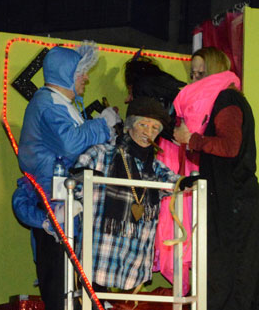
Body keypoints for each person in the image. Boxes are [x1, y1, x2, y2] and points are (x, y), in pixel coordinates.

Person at [12, 42, 119, 310]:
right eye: (81, 72)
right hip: (59, 219)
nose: (85, 79)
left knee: (86, 295)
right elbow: (71, 145)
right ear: (67, 73)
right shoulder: (47, 104)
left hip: (74, 219)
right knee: (62, 298)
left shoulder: (58, 105)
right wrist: (102, 124)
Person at [172, 47, 259, 310]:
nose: (194, 77)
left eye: (200, 71)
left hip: (235, 206)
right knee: (225, 273)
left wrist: (192, 139)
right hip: (230, 203)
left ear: (214, 69)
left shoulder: (227, 101)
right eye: (192, 72)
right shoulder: (221, 102)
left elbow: (229, 146)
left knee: (230, 274)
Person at [73, 96, 180, 294]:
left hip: (135, 259)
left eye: (155, 128)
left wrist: (189, 183)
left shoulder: (156, 168)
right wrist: (85, 179)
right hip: (100, 254)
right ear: (129, 126)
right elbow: (73, 185)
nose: (148, 132)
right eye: (143, 124)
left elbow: (176, 183)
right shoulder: (101, 154)